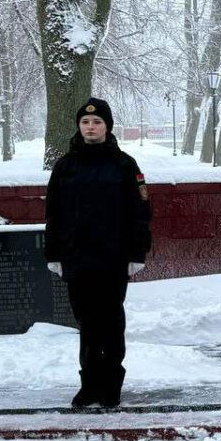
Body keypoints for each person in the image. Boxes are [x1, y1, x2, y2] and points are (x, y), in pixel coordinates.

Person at [44, 98, 151, 408]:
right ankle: (89, 384)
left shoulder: (125, 165)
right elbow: (54, 212)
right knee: (87, 322)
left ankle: (111, 384)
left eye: (97, 122)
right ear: (79, 126)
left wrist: (137, 253)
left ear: (107, 126)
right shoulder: (65, 166)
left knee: (111, 320)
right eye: (85, 123)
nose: (90, 127)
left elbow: (140, 211)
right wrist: (54, 254)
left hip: (114, 258)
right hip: (77, 258)